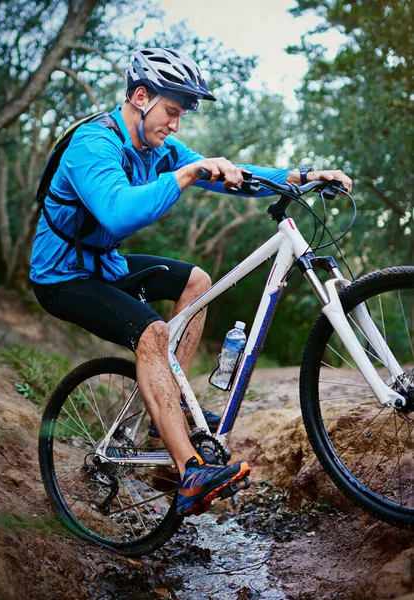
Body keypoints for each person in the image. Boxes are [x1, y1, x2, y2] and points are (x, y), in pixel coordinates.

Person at [30, 47, 352, 516]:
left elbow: (235, 178)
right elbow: (119, 214)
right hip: (63, 275)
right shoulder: (92, 145)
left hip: (106, 264)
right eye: (171, 112)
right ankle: (190, 472)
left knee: (197, 280)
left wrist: (304, 177)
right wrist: (184, 174)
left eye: (181, 115)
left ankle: (171, 417)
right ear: (140, 96)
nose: (176, 126)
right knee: (152, 332)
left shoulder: (157, 148)